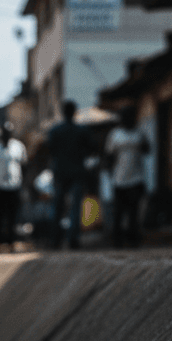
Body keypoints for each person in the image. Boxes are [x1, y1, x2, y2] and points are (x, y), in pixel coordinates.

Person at [45, 100, 96, 249]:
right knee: (75, 208)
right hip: (77, 173)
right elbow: (92, 148)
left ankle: (56, 240)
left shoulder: (55, 131)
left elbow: (50, 150)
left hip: (60, 173)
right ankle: (73, 239)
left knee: (58, 208)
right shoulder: (82, 130)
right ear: (75, 112)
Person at [104, 105, 150, 247]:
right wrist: (110, 173)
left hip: (136, 178)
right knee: (119, 211)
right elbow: (109, 156)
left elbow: (148, 149)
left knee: (133, 210)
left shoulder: (139, 133)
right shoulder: (115, 135)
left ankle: (133, 238)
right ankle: (117, 240)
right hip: (119, 178)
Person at [0, 122, 28, 249]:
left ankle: (11, 242)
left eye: (8, 133)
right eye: (4, 133)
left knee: (12, 215)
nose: (6, 135)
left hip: (14, 186)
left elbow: (24, 164)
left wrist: (22, 181)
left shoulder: (19, 146)